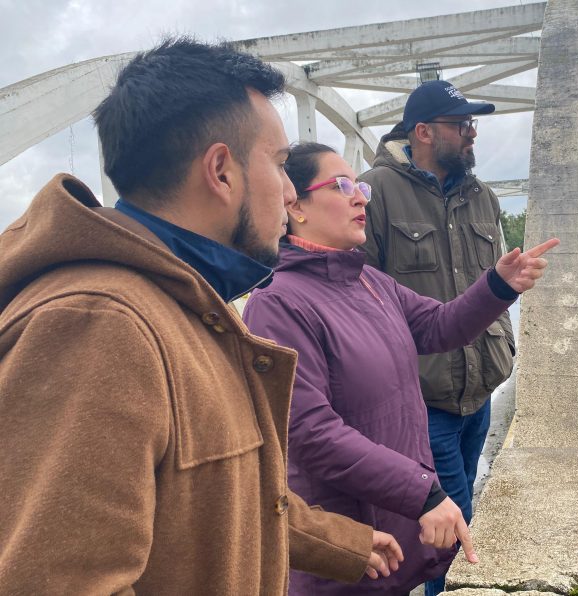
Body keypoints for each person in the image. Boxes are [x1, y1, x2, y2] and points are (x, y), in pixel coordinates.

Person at [0, 38, 403, 594]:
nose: (289, 193)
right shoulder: (99, 326)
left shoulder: (184, 305)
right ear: (220, 170)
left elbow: (214, 493)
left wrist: (342, 543)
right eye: (282, 165)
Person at [243, 142, 558, 595]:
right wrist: (424, 494)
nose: (361, 197)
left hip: (395, 523)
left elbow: (437, 327)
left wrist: (498, 285)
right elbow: (310, 432)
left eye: (361, 186)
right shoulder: (277, 304)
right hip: (349, 539)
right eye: (343, 186)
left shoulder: (369, 280)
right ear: (296, 206)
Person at [358, 80, 512, 595]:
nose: (472, 135)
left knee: (459, 508)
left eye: (473, 125)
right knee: (452, 517)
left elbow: (494, 283)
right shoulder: (373, 193)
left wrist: (503, 347)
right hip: (424, 399)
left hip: (480, 390)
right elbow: (354, 297)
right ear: (423, 132)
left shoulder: (482, 196)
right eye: (461, 125)